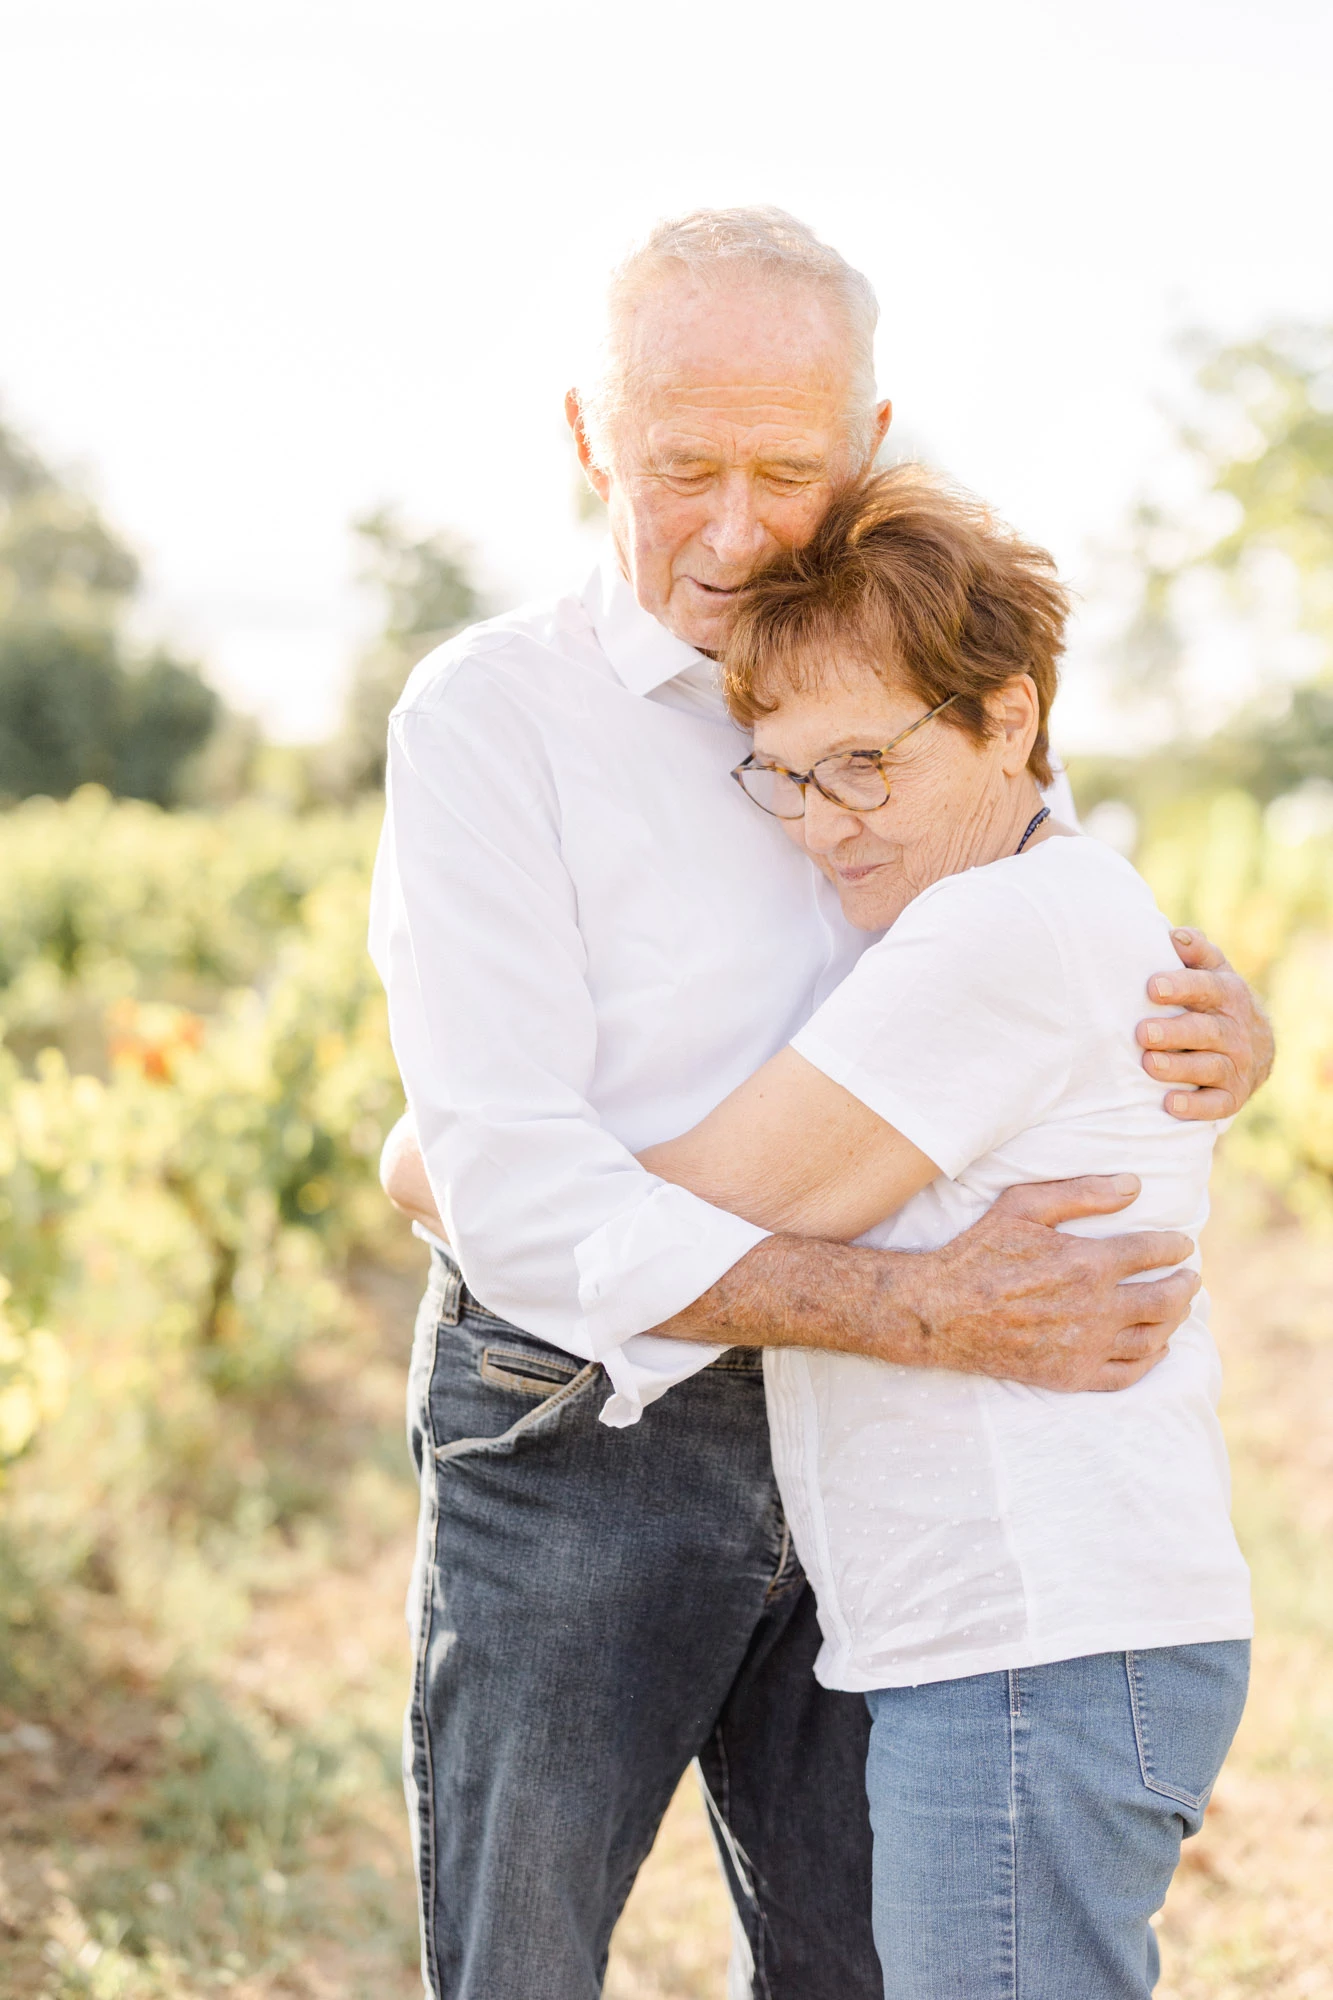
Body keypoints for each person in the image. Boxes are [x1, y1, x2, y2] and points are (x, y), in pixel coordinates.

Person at [369, 207, 1271, 2000]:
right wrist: (916, 1304)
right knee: (522, 1953)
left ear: (869, 445)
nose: (727, 527)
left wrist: (1222, 1029)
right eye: (675, 464)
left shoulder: (924, 656)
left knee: (874, 1959)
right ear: (587, 440)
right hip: (585, 1420)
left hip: (886, 1440)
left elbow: (1045, 910)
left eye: (783, 471)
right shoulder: (490, 720)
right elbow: (523, 1206)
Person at [637, 467, 1252, 1998]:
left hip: (1033, 1648)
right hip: (1043, 1639)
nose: (825, 825)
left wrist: (454, 1157)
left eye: (865, 762)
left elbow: (671, 1220)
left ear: (1008, 720)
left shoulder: (996, 928)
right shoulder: (1047, 902)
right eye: (784, 775)